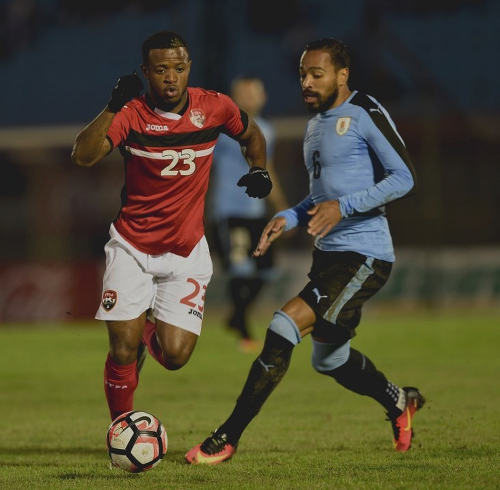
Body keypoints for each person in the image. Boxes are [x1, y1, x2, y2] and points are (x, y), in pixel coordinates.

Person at [185, 37, 424, 465]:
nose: (307, 83)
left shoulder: (365, 112)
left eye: (317, 74)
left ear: (342, 75)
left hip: (365, 255)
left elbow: (403, 177)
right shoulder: (315, 126)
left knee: (282, 325)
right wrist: (289, 218)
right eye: (302, 75)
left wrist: (344, 207)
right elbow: (319, 200)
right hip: (329, 255)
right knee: (330, 360)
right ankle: (398, 400)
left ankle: (227, 436)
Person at [71, 31, 272, 422]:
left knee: (176, 356)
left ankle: (145, 327)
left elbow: (251, 133)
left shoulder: (214, 108)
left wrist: (260, 168)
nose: (170, 77)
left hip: (186, 251)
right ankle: (121, 430)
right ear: (146, 71)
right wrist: (113, 105)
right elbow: (83, 155)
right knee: (122, 349)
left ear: (189, 68)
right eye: (161, 69)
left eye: (178, 68)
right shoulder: (131, 114)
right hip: (132, 246)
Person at [210, 77, 287, 352]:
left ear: (263, 97)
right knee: (240, 269)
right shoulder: (220, 132)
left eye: (254, 93)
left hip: (256, 211)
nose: (250, 98)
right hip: (229, 211)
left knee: (267, 271)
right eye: (244, 93)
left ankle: (236, 316)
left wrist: (280, 206)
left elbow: (268, 169)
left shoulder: (267, 129)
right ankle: (243, 326)